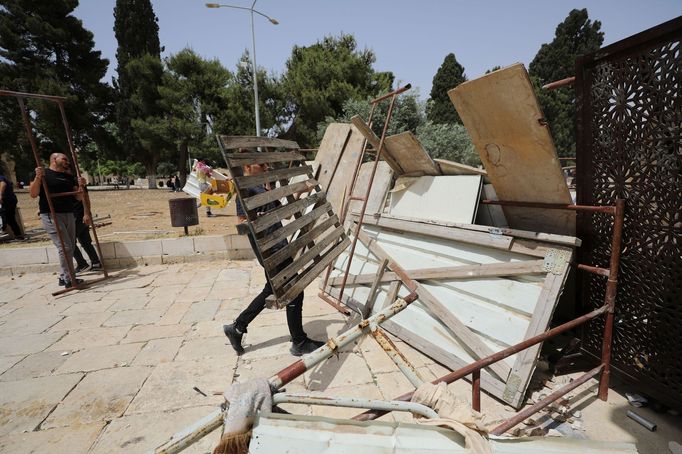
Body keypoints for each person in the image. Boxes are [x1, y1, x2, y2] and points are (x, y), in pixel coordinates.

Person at [223, 163, 324, 357]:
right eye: (262, 164)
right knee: (295, 291)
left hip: (278, 247)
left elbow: (280, 211)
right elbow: (241, 223)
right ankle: (299, 342)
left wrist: (301, 192)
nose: (268, 166)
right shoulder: (246, 191)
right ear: (249, 167)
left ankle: (237, 328)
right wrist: (261, 218)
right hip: (270, 251)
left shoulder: (263, 189)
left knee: (270, 290)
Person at [29, 153, 88, 287]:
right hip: (51, 214)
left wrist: (81, 186)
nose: (67, 161)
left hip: (69, 213)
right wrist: (38, 177)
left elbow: (78, 197)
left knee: (70, 246)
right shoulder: (43, 174)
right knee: (65, 246)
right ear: (54, 160)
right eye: (64, 159)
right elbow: (33, 194)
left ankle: (63, 276)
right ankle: (69, 278)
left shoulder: (68, 176)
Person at [73, 196, 102, 273]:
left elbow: (85, 197)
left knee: (69, 241)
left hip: (78, 216)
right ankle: (95, 263)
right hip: (79, 215)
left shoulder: (77, 184)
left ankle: (82, 264)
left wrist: (86, 214)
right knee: (85, 241)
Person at [0, 173, 25, 240]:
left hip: (6, 200)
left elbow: (3, 184)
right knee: (11, 219)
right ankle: (18, 235)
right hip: (11, 200)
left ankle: (3, 229)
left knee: (3, 214)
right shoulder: (4, 178)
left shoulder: (1, 178)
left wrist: (0, 196)